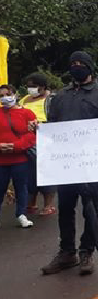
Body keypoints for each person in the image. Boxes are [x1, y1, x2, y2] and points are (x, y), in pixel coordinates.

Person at [41, 51, 98, 276]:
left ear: (90, 68)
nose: (76, 67)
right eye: (72, 64)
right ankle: (67, 252)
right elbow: (52, 126)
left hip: (90, 163)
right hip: (65, 164)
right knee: (65, 208)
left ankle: (87, 251)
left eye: (81, 64)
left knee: (91, 210)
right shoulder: (60, 96)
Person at [20, 72, 56, 216]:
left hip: (45, 140)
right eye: (28, 87)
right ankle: (31, 203)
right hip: (26, 142)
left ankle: (48, 205)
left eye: (34, 87)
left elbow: (57, 119)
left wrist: (41, 125)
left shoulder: (52, 99)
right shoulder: (24, 99)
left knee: (46, 173)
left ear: (42, 87)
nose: (30, 89)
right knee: (29, 174)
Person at [0, 84, 36, 228]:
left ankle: (21, 214)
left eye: (7, 94)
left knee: (21, 187)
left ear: (15, 95)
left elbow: (31, 136)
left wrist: (15, 146)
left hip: (20, 159)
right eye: (1, 96)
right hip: (1, 160)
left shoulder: (27, 113)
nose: (4, 98)